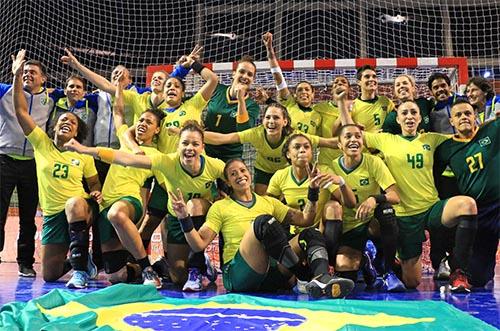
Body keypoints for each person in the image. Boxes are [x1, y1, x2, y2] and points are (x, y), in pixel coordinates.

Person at [65, 121, 225, 292]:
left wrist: (223, 196)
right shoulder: (167, 162)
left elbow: (234, 175)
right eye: (185, 143)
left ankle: (196, 266)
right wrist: (84, 150)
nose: (189, 148)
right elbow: (126, 158)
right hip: (176, 219)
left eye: (195, 144)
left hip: (198, 217)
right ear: (178, 145)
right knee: (178, 278)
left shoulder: (214, 165)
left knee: (193, 205)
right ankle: (195, 264)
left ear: (202, 147)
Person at [340, 99, 478, 292]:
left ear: (420, 118)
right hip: (404, 216)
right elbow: (351, 133)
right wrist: (341, 103)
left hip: (432, 208)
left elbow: (465, 138)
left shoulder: (432, 138)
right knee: (411, 282)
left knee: (467, 205)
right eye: (404, 113)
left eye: (413, 112)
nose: (409, 116)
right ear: (397, 119)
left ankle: (458, 270)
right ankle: (384, 262)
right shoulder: (386, 140)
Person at [168, 158, 355, 298]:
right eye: (233, 174)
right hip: (239, 276)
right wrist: (184, 218)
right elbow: (199, 245)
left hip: (274, 275)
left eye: (242, 170)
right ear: (228, 181)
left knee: (310, 233)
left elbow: (307, 219)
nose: (239, 175)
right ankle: (304, 275)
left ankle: (322, 278)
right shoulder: (220, 207)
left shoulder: (269, 202)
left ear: (249, 173)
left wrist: (313, 191)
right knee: (263, 222)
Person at [12, 50, 101, 288]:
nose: (66, 122)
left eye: (72, 122)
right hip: (52, 215)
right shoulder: (42, 144)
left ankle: (80, 270)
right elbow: (20, 111)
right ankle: (79, 258)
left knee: (73, 203)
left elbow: (93, 184)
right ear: (53, 128)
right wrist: (17, 76)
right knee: (50, 275)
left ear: (77, 132)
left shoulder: (83, 153)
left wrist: (95, 192)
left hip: (80, 209)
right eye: (62, 120)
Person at [66, 72, 164, 288]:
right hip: (105, 204)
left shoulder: (157, 156)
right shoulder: (125, 140)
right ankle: (151, 268)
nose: (142, 123)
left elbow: (165, 183)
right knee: (115, 276)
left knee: (116, 214)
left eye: (149, 122)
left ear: (157, 130)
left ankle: (147, 268)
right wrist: (118, 88)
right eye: (140, 120)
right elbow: (118, 113)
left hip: (129, 202)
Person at [200, 103, 339, 195]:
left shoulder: (295, 137)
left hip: (286, 173)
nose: (271, 121)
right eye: (268, 117)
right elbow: (223, 138)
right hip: (264, 172)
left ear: (285, 122)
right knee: (264, 204)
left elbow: (327, 142)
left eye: (276, 118)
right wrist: (194, 134)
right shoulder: (256, 134)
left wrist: (352, 138)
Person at [331, 123, 405, 292]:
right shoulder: (332, 167)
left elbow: (395, 196)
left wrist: (374, 198)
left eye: (358, 136)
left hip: (372, 222)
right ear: (339, 144)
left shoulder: (373, 162)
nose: (354, 140)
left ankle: (387, 271)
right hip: (349, 226)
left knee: (386, 210)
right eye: (348, 136)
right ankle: (364, 261)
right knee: (346, 277)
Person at [434, 100, 499, 288]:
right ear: (451, 121)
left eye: (467, 113)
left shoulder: (493, 130)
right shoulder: (445, 149)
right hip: (479, 210)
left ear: (475, 117)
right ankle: (456, 265)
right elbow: (436, 179)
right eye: (458, 115)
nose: (464, 117)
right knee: (479, 278)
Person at [0, 52, 54, 277]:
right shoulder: (5, 91)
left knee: (28, 216)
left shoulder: (52, 100)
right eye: (25, 71)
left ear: (44, 79)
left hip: (33, 163)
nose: (27, 75)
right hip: (4, 159)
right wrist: (15, 73)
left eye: (33, 72)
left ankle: (25, 262)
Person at [263, 32, 322, 135]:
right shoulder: (289, 104)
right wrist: (269, 50)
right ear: (294, 95)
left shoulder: (318, 116)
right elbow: (278, 78)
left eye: (307, 89)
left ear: (313, 94)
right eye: (299, 90)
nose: (303, 92)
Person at [204, 56, 260, 162]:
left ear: (253, 79)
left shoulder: (252, 106)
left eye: (250, 74)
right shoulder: (217, 89)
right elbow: (193, 102)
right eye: (242, 71)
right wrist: (190, 64)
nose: (245, 76)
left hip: (231, 157)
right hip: (205, 151)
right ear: (234, 73)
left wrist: (241, 100)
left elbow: (243, 131)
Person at [46, 75, 99, 147]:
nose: (74, 89)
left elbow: (107, 92)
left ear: (84, 93)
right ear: (65, 91)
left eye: (78, 87)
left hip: (81, 155)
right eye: (71, 86)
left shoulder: (92, 106)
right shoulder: (55, 104)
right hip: (54, 153)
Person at [350, 65, 395, 133]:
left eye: (374, 76)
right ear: (358, 82)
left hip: (383, 142)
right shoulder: (352, 106)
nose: (371, 79)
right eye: (367, 77)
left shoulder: (386, 101)